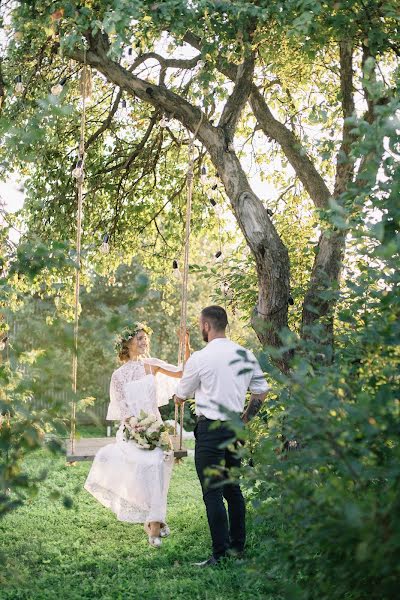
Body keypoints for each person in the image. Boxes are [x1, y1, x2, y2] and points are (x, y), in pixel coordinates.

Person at [174, 306, 268, 566]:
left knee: (213, 492)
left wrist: (178, 395)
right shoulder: (245, 354)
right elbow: (260, 392)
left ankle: (220, 554)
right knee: (232, 489)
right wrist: (245, 419)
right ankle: (237, 549)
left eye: (199, 324)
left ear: (206, 326)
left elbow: (181, 395)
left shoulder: (200, 359)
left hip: (211, 430)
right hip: (236, 427)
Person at [84, 323, 189, 548]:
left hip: (156, 427)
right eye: (139, 338)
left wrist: (185, 342)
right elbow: (123, 408)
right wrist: (135, 426)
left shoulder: (152, 365)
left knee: (160, 469)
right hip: (133, 430)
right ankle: (155, 522)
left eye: (145, 338)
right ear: (127, 343)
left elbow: (183, 372)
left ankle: (154, 522)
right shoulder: (118, 375)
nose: (144, 342)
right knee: (147, 467)